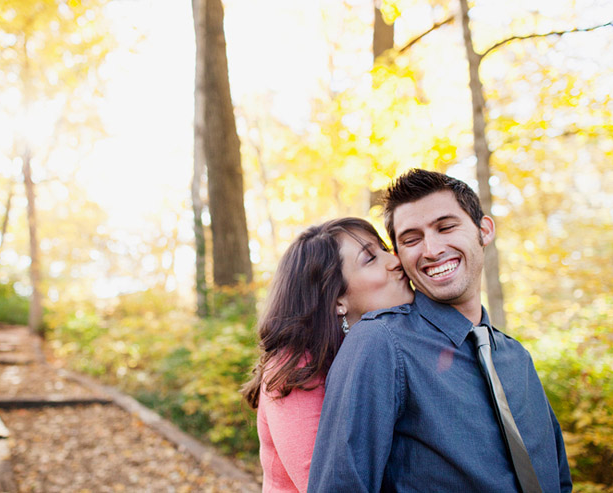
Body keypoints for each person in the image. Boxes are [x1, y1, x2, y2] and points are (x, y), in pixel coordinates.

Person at [308, 169, 572, 492]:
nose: (431, 249)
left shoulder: (518, 357)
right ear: (400, 256)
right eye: (411, 239)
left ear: (484, 230)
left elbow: (558, 479)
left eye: (445, 227)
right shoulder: (380, 343)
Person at [241, 217, 414, 492]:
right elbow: (325, 484)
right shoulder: (294, 370)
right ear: (337, 301)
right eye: (370, 258)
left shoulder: (389, 346)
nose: (394, 260)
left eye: (383, 248)